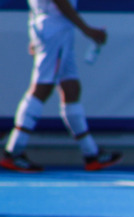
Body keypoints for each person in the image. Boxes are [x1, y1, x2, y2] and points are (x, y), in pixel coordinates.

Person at [1, 0, 121, 173]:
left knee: (71, 87)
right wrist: (87, 29)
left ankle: (91, 154)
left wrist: (35, 32)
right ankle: (13, 151)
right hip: (55, 29)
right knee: (43, 86)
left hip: (53, 28)